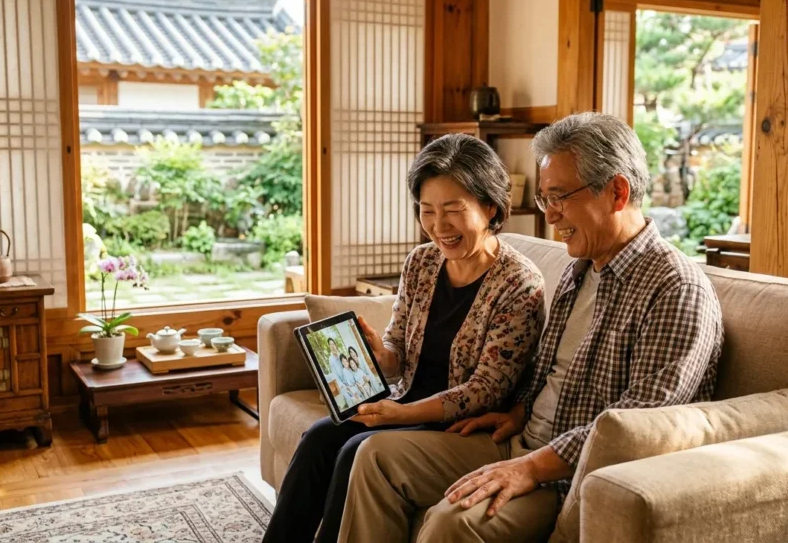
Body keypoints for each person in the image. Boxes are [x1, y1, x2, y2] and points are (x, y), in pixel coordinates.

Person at [337, 112, 725, 543]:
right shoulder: (580, 270)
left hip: (572, 475)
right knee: (373, 455)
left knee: (454, 521)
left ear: (617, 192)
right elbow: (547, 374)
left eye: (559, 197)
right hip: (518, 440)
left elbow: (636, 426)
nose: (551, 216)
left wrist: (532, 466)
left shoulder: (675, 289)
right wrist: (517, 412)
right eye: (544, 199)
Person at [263, 134, 547, 543]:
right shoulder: (422, 262)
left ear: (490, 207)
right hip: (407, 401)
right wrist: (382, 356)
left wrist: (400, 415)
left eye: (453, 210)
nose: (438, 226)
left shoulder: (519, 283)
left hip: (463, 428)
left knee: (354, 450)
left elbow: (485, 390)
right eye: (427, 210)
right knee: (321, 437)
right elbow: (398, 349)